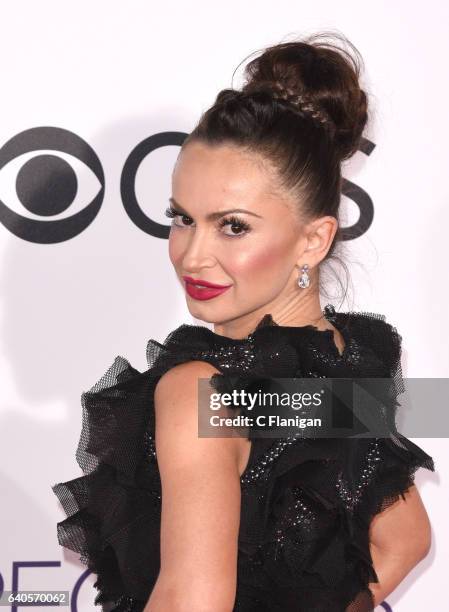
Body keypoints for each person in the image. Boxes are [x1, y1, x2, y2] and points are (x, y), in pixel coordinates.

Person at [52, 32, 435, 612]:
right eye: (182, 218)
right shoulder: (341, 361)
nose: (192, 255)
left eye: (233, 226)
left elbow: (191, 602)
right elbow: (404, 539)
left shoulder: (203, 394)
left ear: (314, 239)